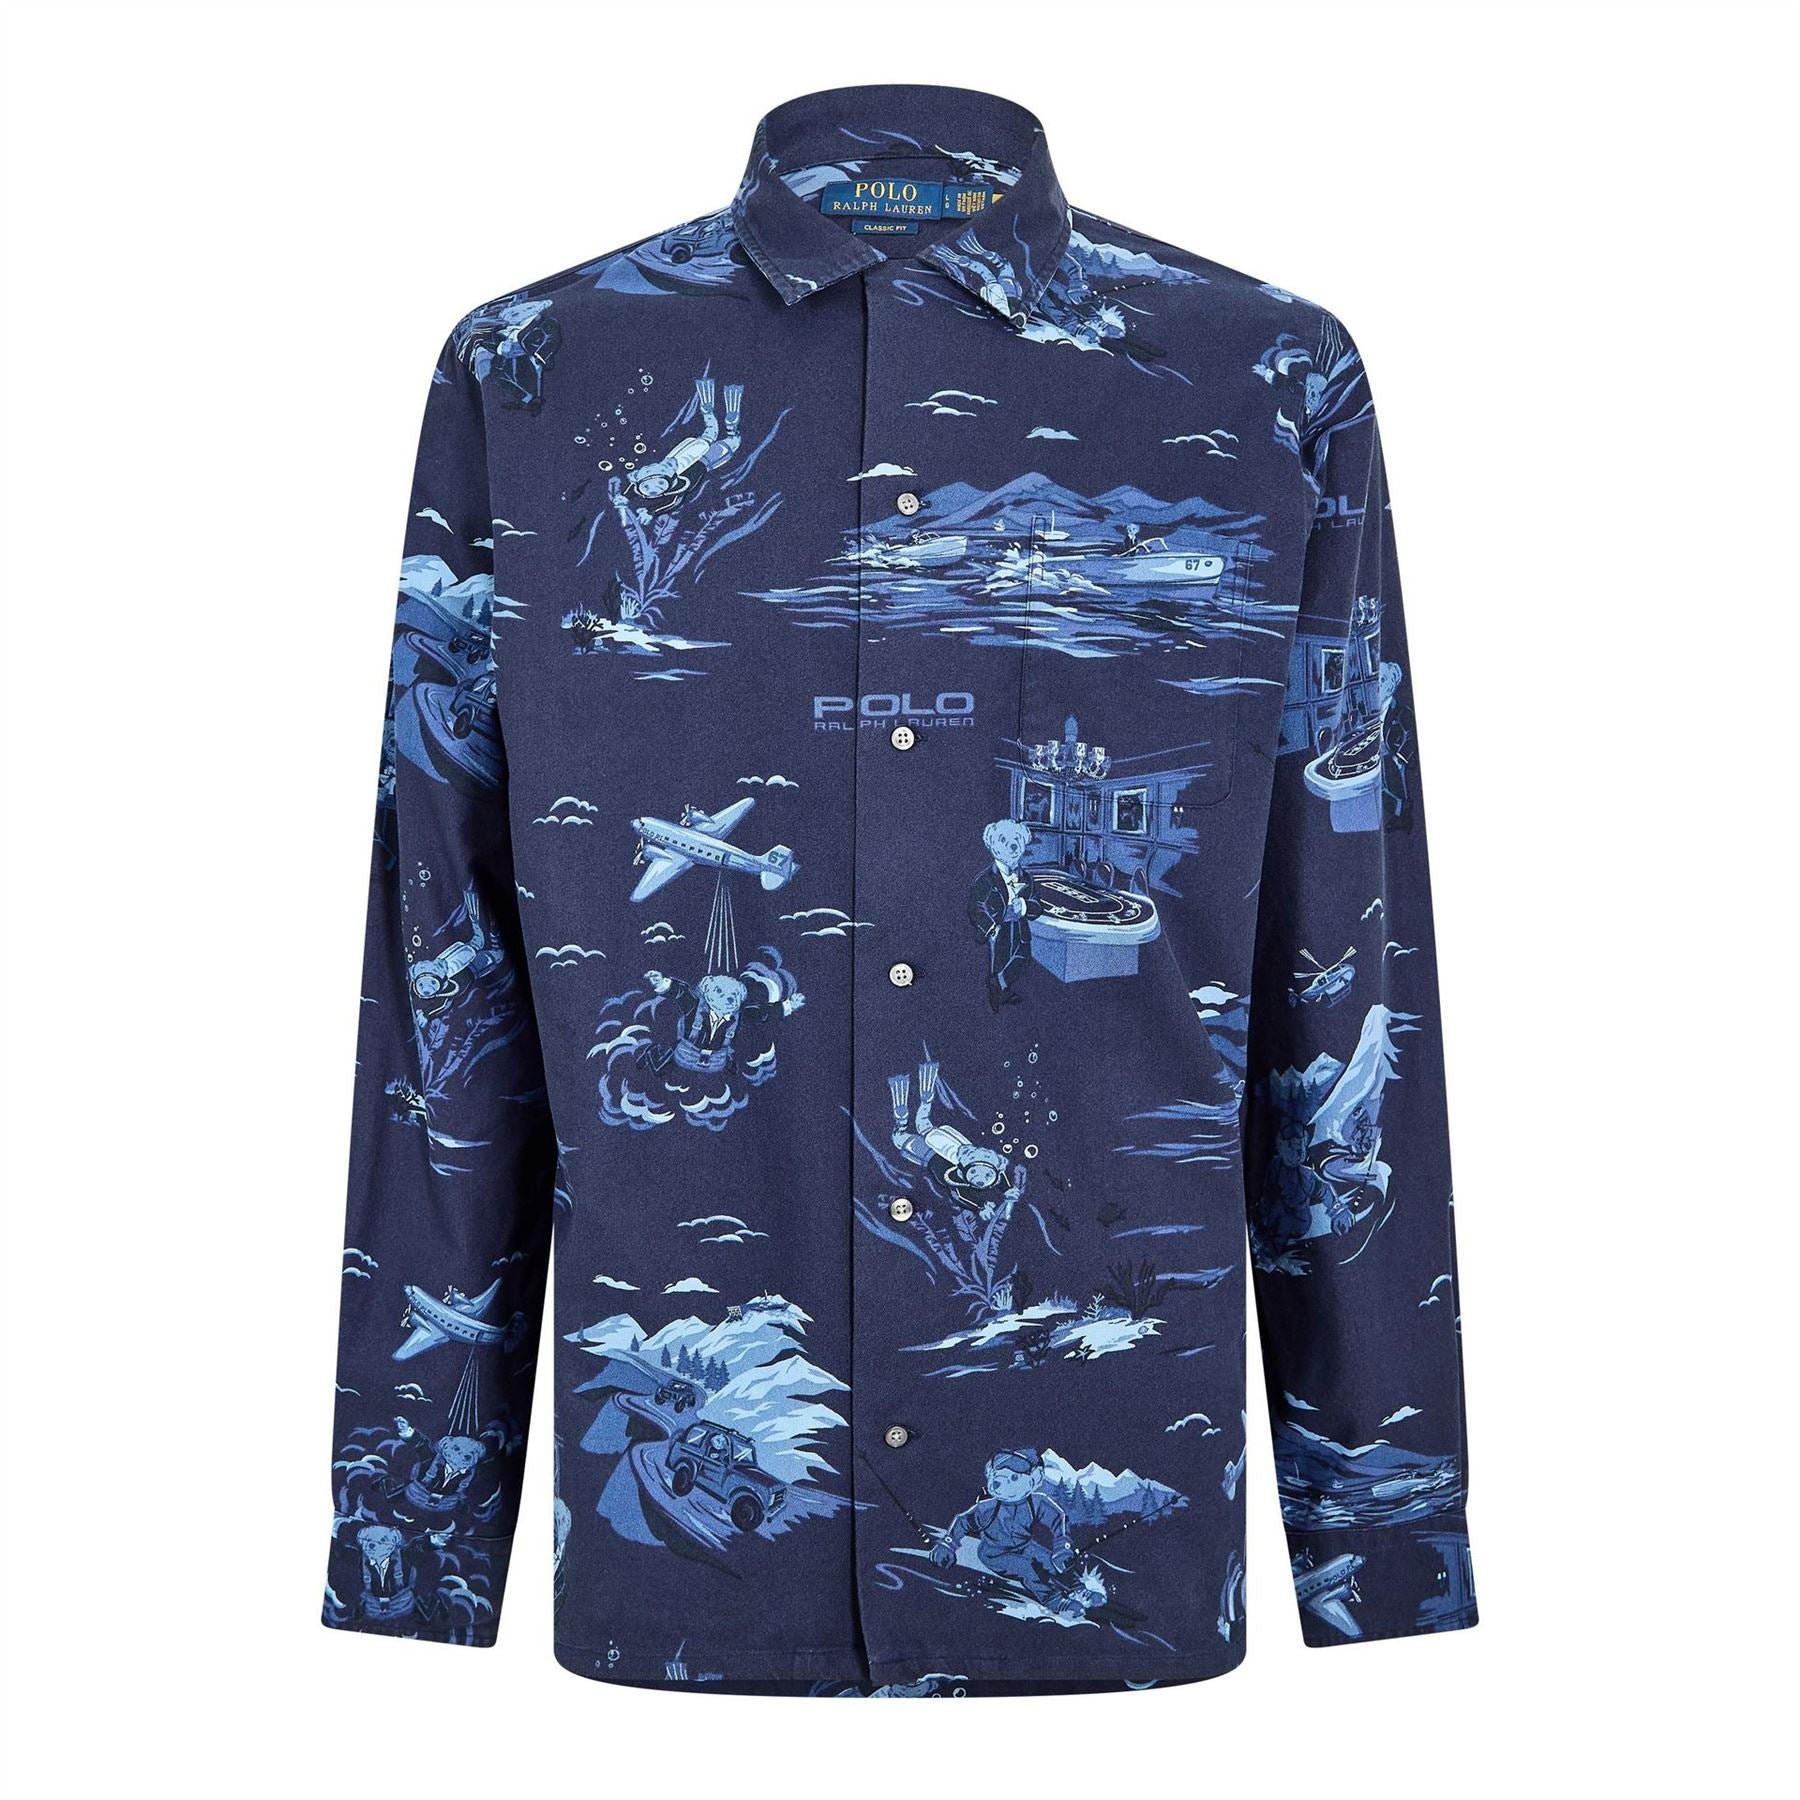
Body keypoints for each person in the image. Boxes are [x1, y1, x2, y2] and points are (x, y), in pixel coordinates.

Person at [931, 1447, 1079, 1613]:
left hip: (1025, 1546)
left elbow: (1058, 1519)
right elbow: (963, 1521)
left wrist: (1062, 1547)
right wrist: (947, 1546)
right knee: (1027, 1568)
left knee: (1048, 1559)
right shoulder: (987, 1508)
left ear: (1034, 1479)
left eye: (1014, 1477)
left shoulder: (1036, 1503)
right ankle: (1055, 1601)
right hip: (995, 1553)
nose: (999, 1483)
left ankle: (1079, 1588)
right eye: (996, 1475)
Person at [968, 819, 1037, 1010]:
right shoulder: (986, 879)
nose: (1012, 845)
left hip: (1020, 928)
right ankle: (996, 1000)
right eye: (1004, 841)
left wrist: (1025, 906)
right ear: (993, 846)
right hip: (999, 928)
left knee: (1023, 958)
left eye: (1016, 839)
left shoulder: (1026, 877)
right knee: (999, 962)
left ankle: (999, 984)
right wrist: (991, 927)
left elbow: (1037, 905)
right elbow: (976, 907)